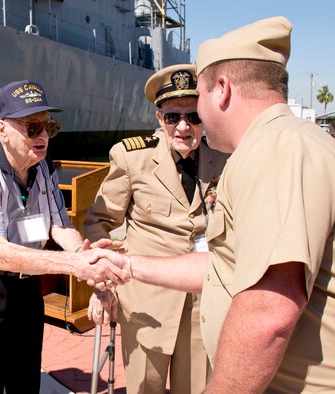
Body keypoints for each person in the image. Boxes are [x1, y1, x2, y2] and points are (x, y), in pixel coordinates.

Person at [93, 16, 335, 392]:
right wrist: (125, 266)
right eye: (173, 116)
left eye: (196, 105)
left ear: (221, 90)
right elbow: (225, 263)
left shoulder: (275, 151)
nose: (188, 123)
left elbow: (269, 310)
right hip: (154, 310)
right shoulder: (277, 145)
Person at [0, 79, 130, 393]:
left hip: (27, 281)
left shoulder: (41, 166)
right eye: (32, 127)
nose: (43, 136)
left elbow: (59, 226)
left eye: (48, 126)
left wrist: (86, 257)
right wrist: (75, 266)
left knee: (26, 374)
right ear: (2, 128)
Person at [83, 64, 228, 393]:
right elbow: (98, 223)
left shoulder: (224, 159)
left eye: (193, 116)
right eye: (172, 116)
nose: (183, 127)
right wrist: (103, 284)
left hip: (203, 304)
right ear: (159, 118)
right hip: (147, 306)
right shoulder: (134, 158)